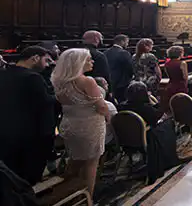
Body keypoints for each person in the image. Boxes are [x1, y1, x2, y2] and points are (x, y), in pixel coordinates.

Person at [52, 48, 110, 197]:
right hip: (89, 125)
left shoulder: (58, 80)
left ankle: (67, 192)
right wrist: (109, 118)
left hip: (69, 124)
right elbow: (101, 106)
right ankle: (87, 197)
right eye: (89, 59)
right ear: (79, 62)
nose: (92, 61)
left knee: (74, 160)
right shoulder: (86, 80)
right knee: (91, 163)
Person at [0, 46, 56, 185]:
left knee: (10, 176)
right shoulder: (32, 77)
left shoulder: (3, 74)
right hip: (30, 135)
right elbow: (44, 103)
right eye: (45, 60)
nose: (47, 64)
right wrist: (58, 97)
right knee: (28, 178)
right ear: (35, 58)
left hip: (6, 131)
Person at [103, 34, 133, 103]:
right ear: (122, 41)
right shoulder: (124, 53)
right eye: (127, 42)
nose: (127, 44)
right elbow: (130, 68)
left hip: (109, 82)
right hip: (121, 84)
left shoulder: (105, 52)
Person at [163, 46, 188, 111]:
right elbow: (185, 77)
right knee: (181, 106)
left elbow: (168, 75)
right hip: (180, 86)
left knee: (172, 107)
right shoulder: (182, 63)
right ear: (179, 53)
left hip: (170, 86)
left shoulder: (166, 63)